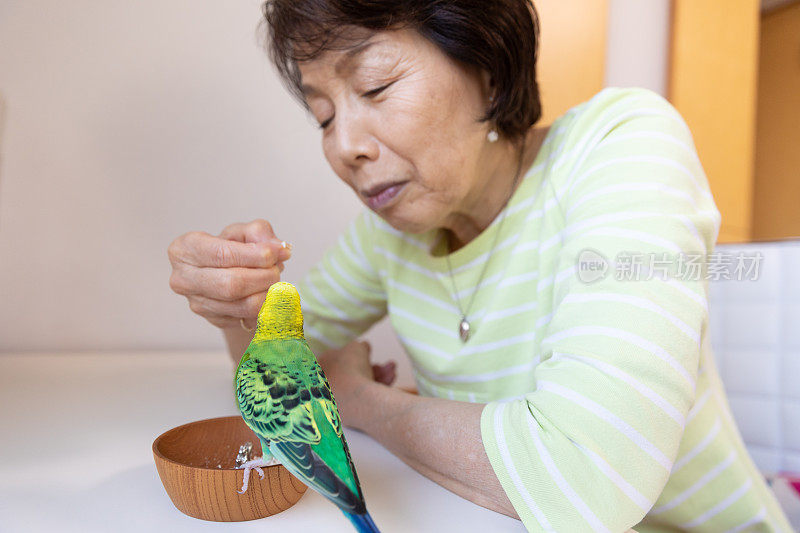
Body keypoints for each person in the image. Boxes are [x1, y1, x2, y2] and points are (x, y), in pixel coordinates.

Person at [167, 1, 792, 531]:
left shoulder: (621, 143)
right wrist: (238, 309)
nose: (343, 146)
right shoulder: (386, 237)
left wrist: (360, 401)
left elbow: (585, 478)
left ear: (488, 70)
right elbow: (278, 372)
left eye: (377, 86)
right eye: (324, 115)